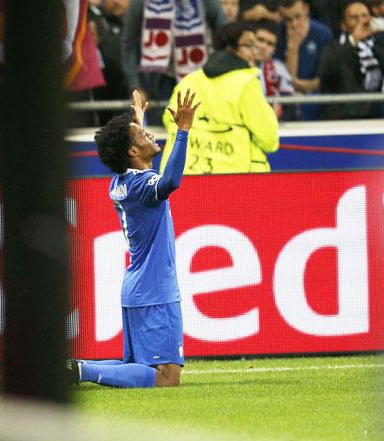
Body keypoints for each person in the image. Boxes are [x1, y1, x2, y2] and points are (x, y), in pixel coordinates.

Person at [68, 89, 199, 388]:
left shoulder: (120, 183)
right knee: (166, 377)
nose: (149, 134)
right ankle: (81, 370)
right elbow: (170, 181)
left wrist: (136, 120)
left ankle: (77, 368)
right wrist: (183, 132)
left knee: (136, 367)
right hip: (155, 289)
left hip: (136, 289)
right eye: (142, 133)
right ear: (132, 152)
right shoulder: (143, 188)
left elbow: (136, 158)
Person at [161, 21, 279, 174]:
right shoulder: (246, 84)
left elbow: (169, 121)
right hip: (236, 180)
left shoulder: (188, 81)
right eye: (249, 45)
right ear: (230, 48)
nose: (255, 52)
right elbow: (270, 139)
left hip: (184, 176)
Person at [121, 0, 227, 125]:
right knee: (159, 135)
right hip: (156, 84)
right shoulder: (141, 2)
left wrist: (216, 71)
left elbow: (225, 38)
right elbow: (128, 44)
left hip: (200, 78)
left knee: (200, 127)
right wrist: (136, 86)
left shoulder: (206, 2)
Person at [318, 0, 384, 119]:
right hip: (338, 122)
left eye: (364, 16)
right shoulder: (332, 48)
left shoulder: (375, 48)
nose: (361, 21)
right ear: (343, 25)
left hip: (371, 121)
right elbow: (327, 69)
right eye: (354, 17)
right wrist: (353, 40)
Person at [275, 0, 334, 119]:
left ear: (306, 9)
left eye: (298, 17)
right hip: (287, 101)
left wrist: (295, 83)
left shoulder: (323, 34)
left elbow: (320, 83)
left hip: (318, 100)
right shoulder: (277, 35)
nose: (294, 24)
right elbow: (282, 82)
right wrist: (293, 48)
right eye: (287, 19)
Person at [253, 19, 295, 119]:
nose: (263, 46)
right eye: (260, 40)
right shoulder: (237, 67)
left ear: (274, 50)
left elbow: (290, 106)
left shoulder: (278, 69)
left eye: (270, 44)